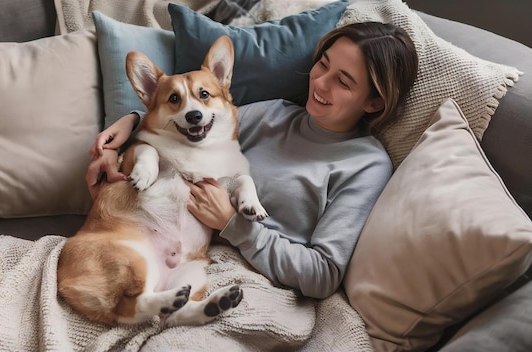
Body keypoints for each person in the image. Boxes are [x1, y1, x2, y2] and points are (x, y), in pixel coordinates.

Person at [86, 22, 419, 299]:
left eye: (342, 81)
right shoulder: (273, 115)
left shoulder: (366, 165)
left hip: (259, 281)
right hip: (175, 251)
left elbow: (323, 274)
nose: (319, 82)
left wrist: (235, 225)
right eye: (324, 63)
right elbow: (189, 122)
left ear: (374, 103)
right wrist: (127, 126)